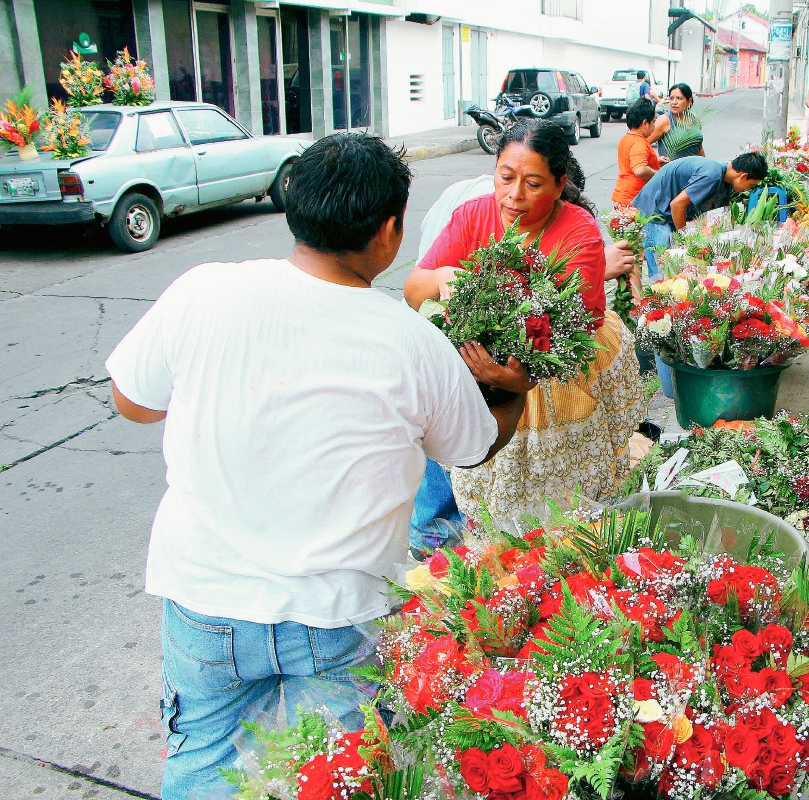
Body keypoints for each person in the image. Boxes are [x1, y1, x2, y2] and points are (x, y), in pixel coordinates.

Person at [105, 133, 531, 799]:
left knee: (203, 764)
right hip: (339, 615)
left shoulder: (203, 291)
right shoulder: (414, 343)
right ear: (389, 232)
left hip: (204, 600)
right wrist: (514, 391)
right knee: (339, 779)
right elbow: (472, 447)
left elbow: (132, 402)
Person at [404, 119, 645, 528]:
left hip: (559, 378)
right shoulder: (472, 216)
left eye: (533, 183)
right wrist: (442, 276)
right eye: (506, 177)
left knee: (566, 507)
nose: (515, 195)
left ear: (559, 184)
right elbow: (413, 290)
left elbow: (576, 329)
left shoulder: (578, 231)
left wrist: (524, 379)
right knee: (493, 502)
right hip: (486, 377)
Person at [631, 152, 769, 280]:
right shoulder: (712, 175)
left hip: (671, 211)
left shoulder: (725, 180)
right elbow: (677, 204)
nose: (748, 189)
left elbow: (716, 215)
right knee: (662, 267)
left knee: (676, 266)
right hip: (656, 211)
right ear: (743, 176)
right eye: (751, 184)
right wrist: (685, 238)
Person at [612, 98, 661, 209]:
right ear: (645, 123)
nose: (654, 127)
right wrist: (660, 174)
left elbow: (631, 162)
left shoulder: (626, 138)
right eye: (653, 122)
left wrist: (656, 161)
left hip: (622, 195)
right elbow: (640, 170)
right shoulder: (639, 142)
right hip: (634, 199)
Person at [649, 83, 705, 160]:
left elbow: (699, 147)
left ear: (689, 101)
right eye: (671, 98)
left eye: (679, 98)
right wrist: (655, 160)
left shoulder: (695, 118)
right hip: (672, 167)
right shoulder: (664, 120)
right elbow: (643, 145)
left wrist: (706, 164)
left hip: (695, 167)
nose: (674, 102)